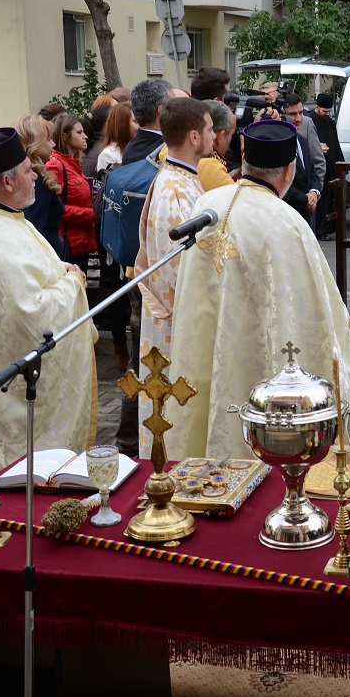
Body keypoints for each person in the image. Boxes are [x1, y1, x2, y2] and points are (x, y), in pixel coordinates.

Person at [166, 119, 350, 462]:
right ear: (288, 171)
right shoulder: (288, 222)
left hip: (205, 342)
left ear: (244, 159)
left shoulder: (206, 204)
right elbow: (318, 308)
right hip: (258, 355)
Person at [0, 127, 97, 471]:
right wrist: (72, 285)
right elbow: (29, 314)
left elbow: (28, 267)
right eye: (29, 170)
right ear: (7, 182)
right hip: (8, 396)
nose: (36, 176)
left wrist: (60, 269)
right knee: (19, 465)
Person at [134, 97, 213, 457]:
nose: (214, 135)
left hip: (178, 317)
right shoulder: (173, 189)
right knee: (174, 410)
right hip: (174, 323)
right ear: (194, 136)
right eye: (209, 129)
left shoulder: (182, 179)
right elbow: (179, 267)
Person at [13, 114, 66, 260]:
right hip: (47, 258)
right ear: (36, 143)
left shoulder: (23, 176)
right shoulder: (36, 181)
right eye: (48, 139)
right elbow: (36, 230)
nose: (53, 144)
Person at [48, 113, 97, 265]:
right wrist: (91, 213)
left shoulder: (72, 162)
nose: (85, 136)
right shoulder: (56, 165)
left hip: (79, 240)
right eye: (79, 132)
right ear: (65, 137)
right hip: (69, 242)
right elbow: (55, 208)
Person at [280, 92, 324, 229]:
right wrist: (306, 200)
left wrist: (314, 193)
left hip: (308, 216)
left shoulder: (302, 141)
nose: (299, 119)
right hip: (287, 217)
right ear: (281, 115)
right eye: (292, 114)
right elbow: (279, 182)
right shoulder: (275, 144)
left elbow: (313, 171)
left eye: (301, 113)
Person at [312, 93, 345, 241]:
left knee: (330, 198)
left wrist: (340, 164)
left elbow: (335, 144)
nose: (327, 114)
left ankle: (327, 228)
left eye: (329, 111)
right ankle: (319, 230)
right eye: (324, 111)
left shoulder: (330, 123)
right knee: (321, 198)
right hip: (318, 167)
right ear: (317, 107)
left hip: (330, 165)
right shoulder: (311, 122)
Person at [124, 79, 175, 165]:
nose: (179, 109)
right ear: (161, 110)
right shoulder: (168, 150)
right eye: (175, 104)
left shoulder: (130, 147)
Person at [95, 102, 137, 181]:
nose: (139, 127)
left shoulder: (136, 149)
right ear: (122, 124)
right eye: (135, 121)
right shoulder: (108, 155)